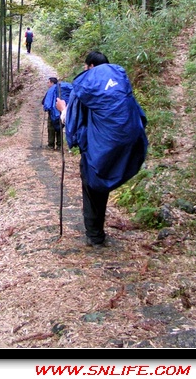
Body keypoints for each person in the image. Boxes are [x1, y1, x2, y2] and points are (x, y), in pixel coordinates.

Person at [56, 51, 148, 248]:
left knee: (91, 186)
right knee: (101, 187)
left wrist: (63, 110)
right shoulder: (120, 82)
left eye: (85, 66)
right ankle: (97, 232)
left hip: (96, 147)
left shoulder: (87, 86)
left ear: (90, 66)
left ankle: (95, 236)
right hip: (120, 145)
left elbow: (72, 122)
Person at [42, 77, 62, 150]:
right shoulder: (61, 89)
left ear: (52, 83)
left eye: (48, 82)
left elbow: (44, 102)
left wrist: (46, 107)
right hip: (61, 111)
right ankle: (59, 145)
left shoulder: (50, 90)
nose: (47, 84)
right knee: (60, 127)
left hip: (52, 112)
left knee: (51, 128)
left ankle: (51, 145)